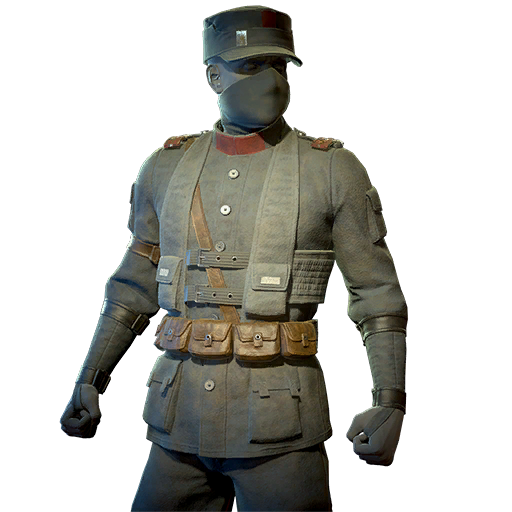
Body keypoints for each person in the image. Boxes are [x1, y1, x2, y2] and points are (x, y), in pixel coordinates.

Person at [60, 5, 408, 511]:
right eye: (251, 65)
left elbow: (377, 293)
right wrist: (91, 376)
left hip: (281, 428)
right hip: (178, 421)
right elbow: (133, 283)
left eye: (279, 65)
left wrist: (390, 400)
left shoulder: (331, 168)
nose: (270, 80)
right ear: (214, 76)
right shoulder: (164, 167)